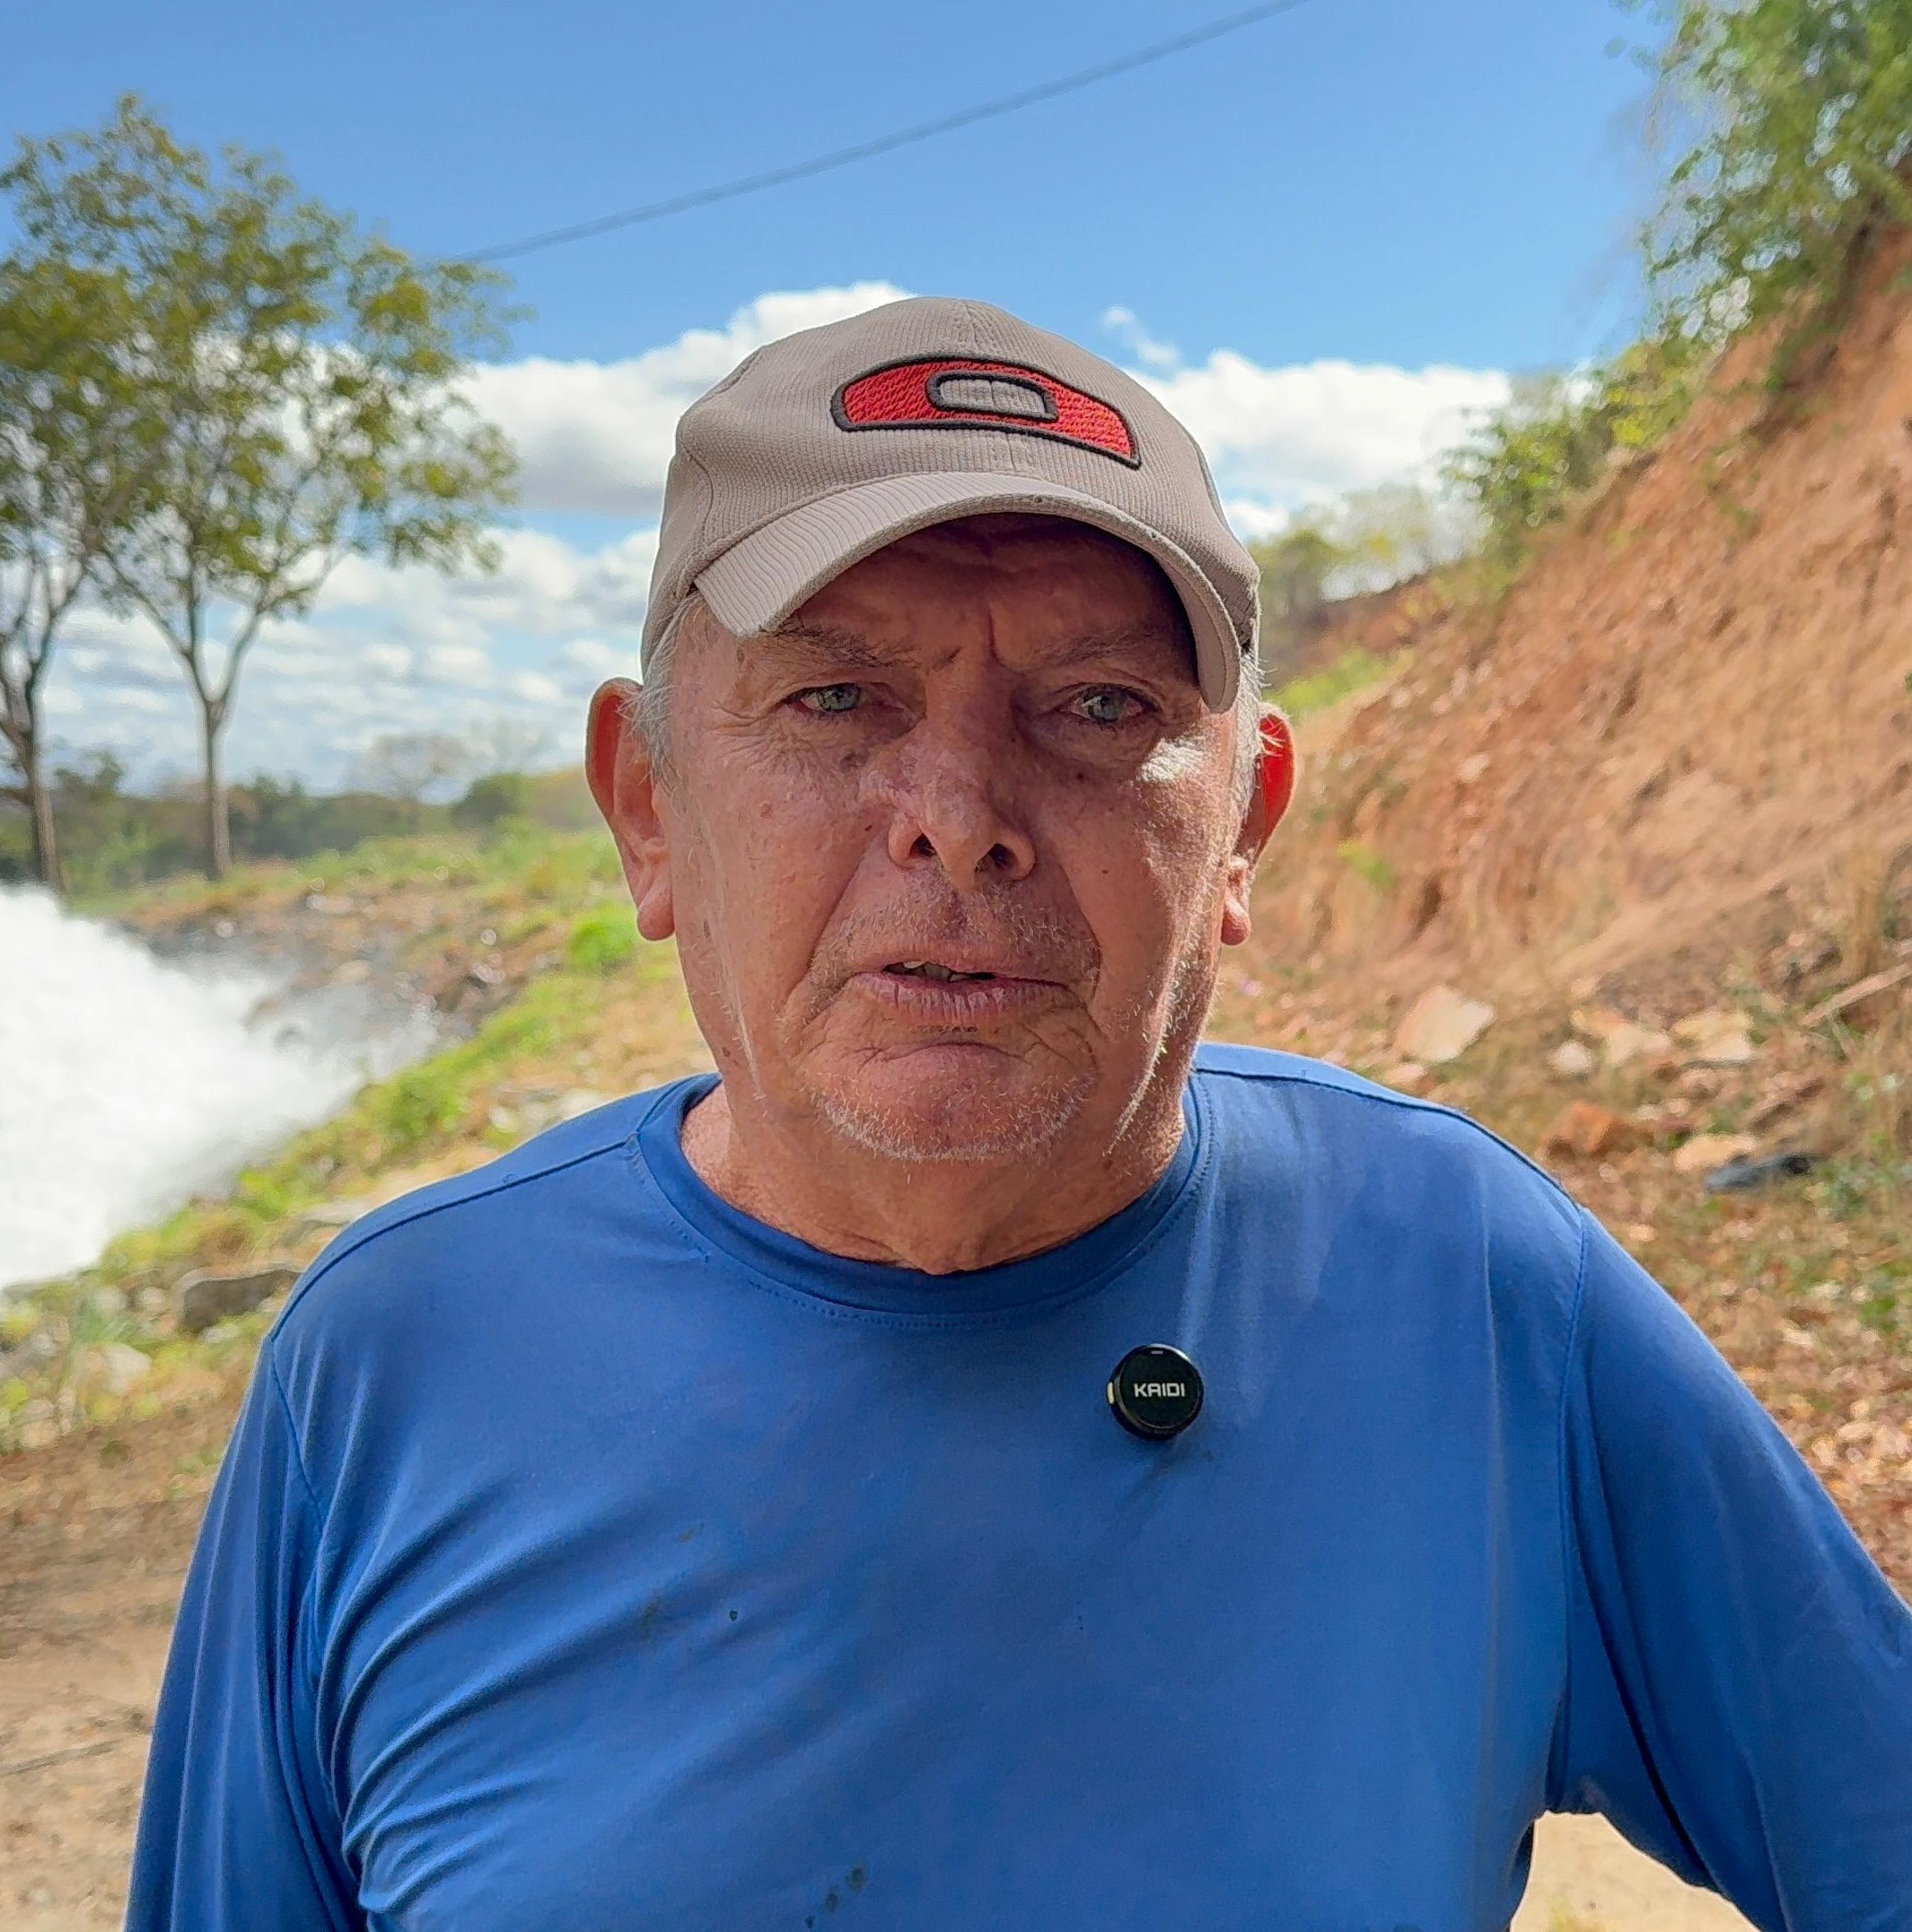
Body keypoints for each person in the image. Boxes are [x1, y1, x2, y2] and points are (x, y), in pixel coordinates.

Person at [128, 298, 1911, 1931]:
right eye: (837, 698)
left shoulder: (1470, 1283)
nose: (960, 814)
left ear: (1243, 827)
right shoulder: (390, 1361)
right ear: (647, 806)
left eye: (1099, 706)